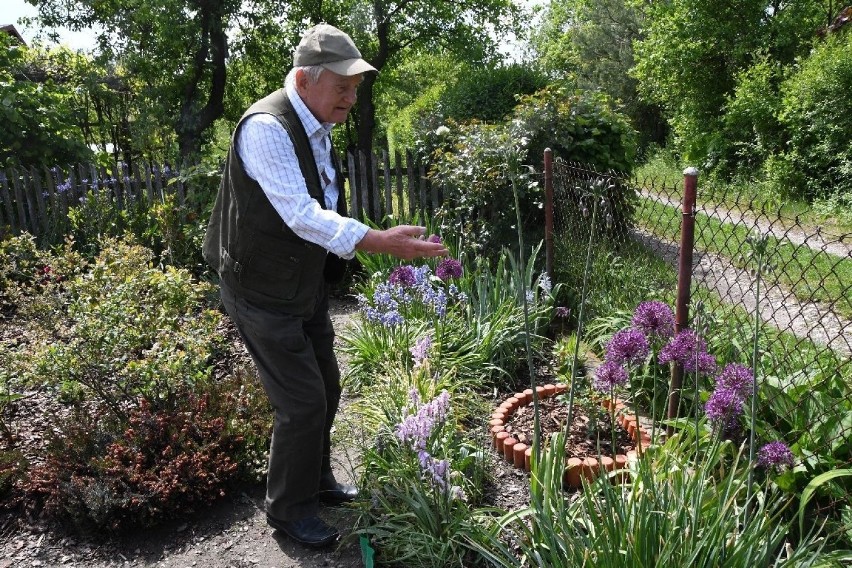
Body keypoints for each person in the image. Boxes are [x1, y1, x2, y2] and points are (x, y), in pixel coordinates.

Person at [202, 24, 448, 548]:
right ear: (304, 80)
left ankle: (315, 482)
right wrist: (378, 241)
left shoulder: (316, 121)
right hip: (261, 290)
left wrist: (360, 239)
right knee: (302, 402)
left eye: (356, 88)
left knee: (327, 386)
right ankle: (288, 510)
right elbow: (300, 213)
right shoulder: (266, 127)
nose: (352, 99)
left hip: (302, 283)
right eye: (344, 87)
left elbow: (324, 197)